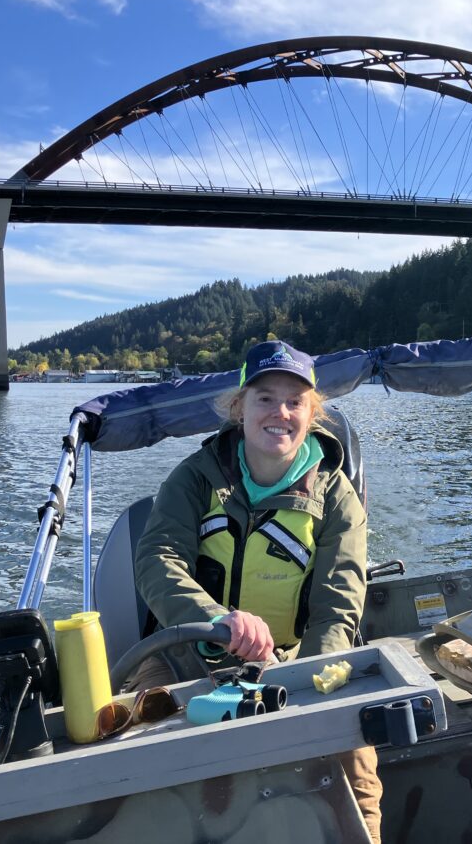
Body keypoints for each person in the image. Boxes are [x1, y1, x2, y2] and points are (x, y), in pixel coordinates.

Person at [133, 339, 381, 841]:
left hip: (290, 659)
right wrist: (214, 619)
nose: (280, 412)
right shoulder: (193, 479)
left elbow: (337, 607)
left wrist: (313, 688)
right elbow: (157, 560)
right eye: (265, 397)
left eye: (294, 402)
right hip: (183, 656)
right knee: (134, 748)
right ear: (238, 407)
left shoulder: (337, 497)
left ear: (311, 414)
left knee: (353, 760)